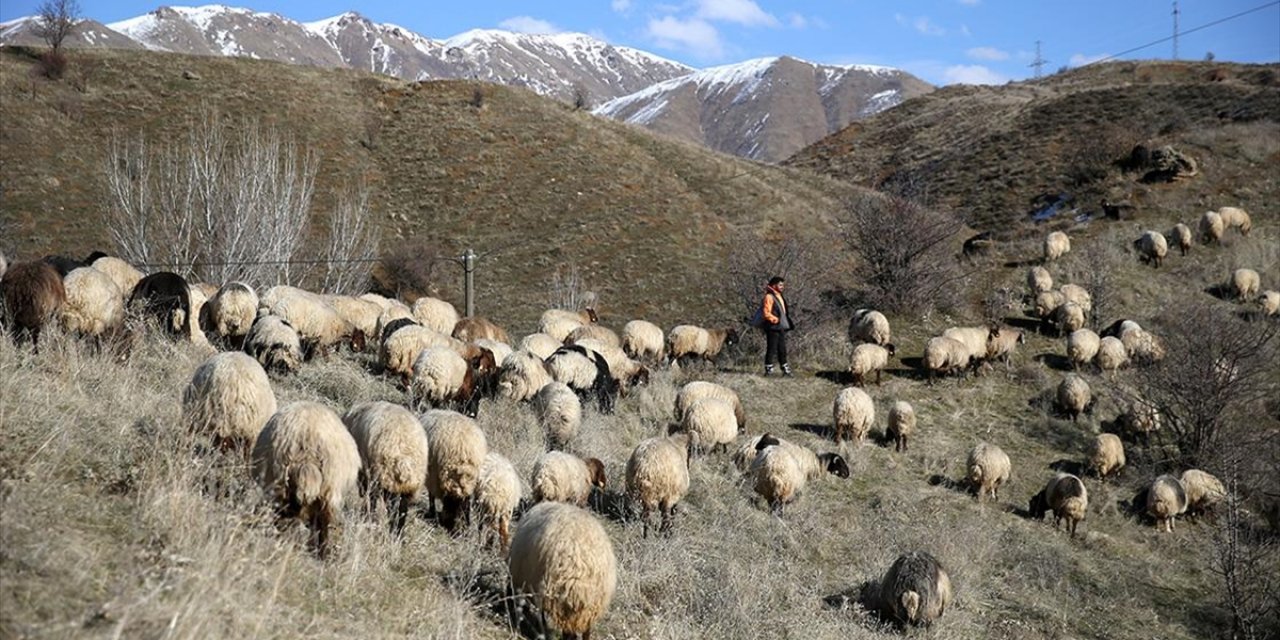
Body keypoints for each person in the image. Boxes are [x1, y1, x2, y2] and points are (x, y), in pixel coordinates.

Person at [758, 276, 793, 376]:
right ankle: (769, 369)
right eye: (780, 285)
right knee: (772, 348)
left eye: (783, 285)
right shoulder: (769, 297)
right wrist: (775, 320)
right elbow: (766, 313)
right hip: (772, 327)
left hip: (780, 327)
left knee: (782, 348)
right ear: (774, 285)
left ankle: (785, 369)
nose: (782, 287)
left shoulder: (778, 295)